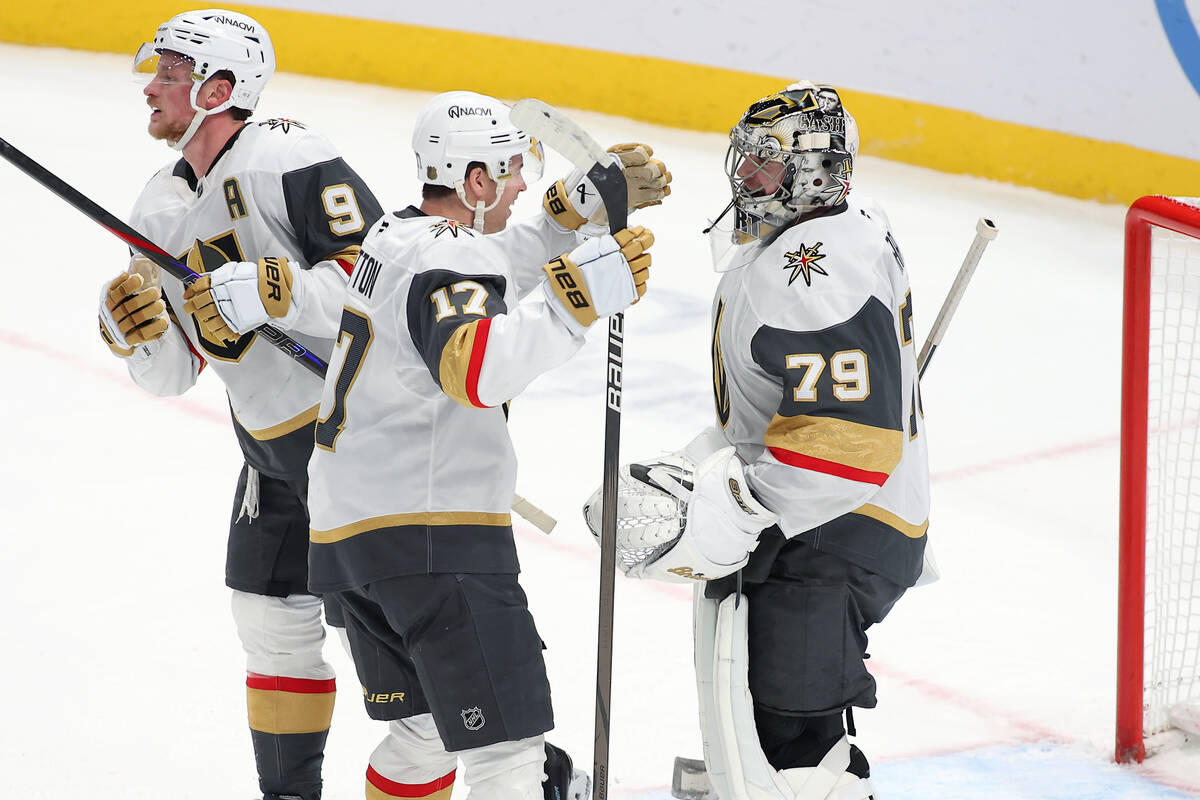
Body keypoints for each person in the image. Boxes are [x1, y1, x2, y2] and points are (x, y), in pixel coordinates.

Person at [305, 90, 667, 800]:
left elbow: (485, 269)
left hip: (348, 543)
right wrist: (574, 300)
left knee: (424, 736)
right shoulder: (450, 254)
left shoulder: (393, 237)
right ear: (476, 181)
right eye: (512, 170)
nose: (523, 183)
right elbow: (474, 368)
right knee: (507, 756)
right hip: (432, 539)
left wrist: (564, 216)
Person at [584, 81, 930, 800]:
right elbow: (791, 405)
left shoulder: (816, 273)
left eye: (766, 162)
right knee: (764, 736)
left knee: (797, 757)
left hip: (833, 533)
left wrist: (735, 505)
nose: (745, 174)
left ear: (817, 172)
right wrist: (699, 463)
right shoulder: (837, 229)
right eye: (744, 157)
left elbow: (850, 443)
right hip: (827, 527)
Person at [96, 9, 384, 799]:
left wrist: (276, 292)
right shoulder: (156, 206)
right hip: (268, 455)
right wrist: (134, 335)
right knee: (269, 623)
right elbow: (173, 375)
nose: (151, 87)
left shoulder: (288, 154)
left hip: (356, 441)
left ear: (219, 90)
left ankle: (524, 771)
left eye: (171, 75)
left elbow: (384, 280)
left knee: (393, 641)